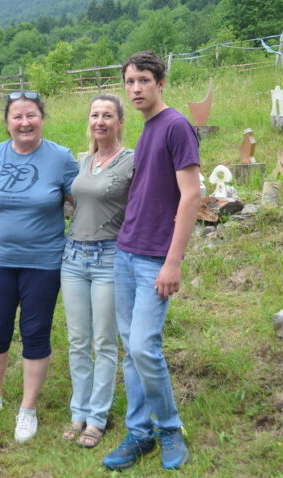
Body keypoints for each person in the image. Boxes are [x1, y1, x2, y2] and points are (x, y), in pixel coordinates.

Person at [101, 51, 201, 471]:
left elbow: (192, 194)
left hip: (154, 259)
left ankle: (170, 429)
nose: (136, 88)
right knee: (132, 351)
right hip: (126, 252)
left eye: (143, 80)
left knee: (144, 347)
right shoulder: (147, 130)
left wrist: (173, 262)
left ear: (161, 83)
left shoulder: (176, 126)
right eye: (129, 81)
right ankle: (139, 433)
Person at [0, 91, 79, 442]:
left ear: (41, 118)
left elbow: (85, 200)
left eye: (31, 115)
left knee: (35, 333)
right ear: (7, 122)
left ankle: (27, 409)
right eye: (17, 116)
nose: (24, 122)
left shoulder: (60, 157)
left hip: (44, 263)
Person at [60, 94, 134, 448]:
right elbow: (70, 200)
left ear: (120, 121)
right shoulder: (83, 160)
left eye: (107, 115)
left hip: (109, 258)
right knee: (77, 339)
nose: (100, 121)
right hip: (72, 257)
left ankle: (97, 417)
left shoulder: (131, 161)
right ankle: (78, 410)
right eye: (94, 115)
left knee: (104, 341)